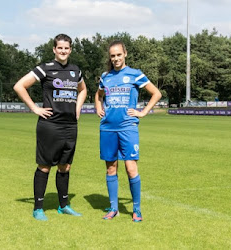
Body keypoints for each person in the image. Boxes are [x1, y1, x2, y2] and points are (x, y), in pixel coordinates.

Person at [14, 34, 87, 221]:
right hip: (50, 125)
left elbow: (83, 90)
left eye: (66, 48)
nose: (63, 51)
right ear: (54, 49)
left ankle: (64, 205)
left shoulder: (75, 70)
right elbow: (20, 86)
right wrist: (34, 108)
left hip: (70, 126)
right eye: (60, 48)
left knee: (65, 166)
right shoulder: (45, 68)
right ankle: (38, 208)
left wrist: (77, 109)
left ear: (70, 50)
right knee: (45, 166)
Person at [95, 40, 162, 222]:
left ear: (125, 54)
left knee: (130, 167)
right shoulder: (105, 76)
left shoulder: (135, 74)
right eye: (112, 56)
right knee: (111, 168)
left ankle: (137, 209)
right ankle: (113, 208)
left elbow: (156, 93)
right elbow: (98, 94)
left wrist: (143, 112)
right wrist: (98, 107)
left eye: (118, 54)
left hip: (128, 128)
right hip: (108, 127)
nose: (116, 58)